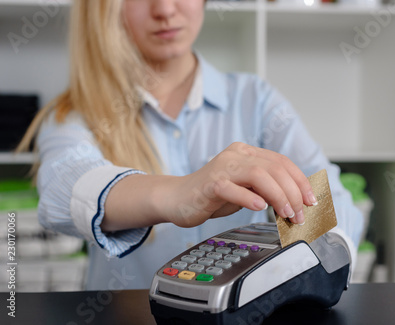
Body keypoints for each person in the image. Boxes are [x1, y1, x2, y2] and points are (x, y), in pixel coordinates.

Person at [18, 0, 363, 290]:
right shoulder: (74, 114)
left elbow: (330, 196)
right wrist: (181, 193)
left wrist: (313, 271)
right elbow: (63, 189)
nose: (165, 10)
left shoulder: (254, 100)